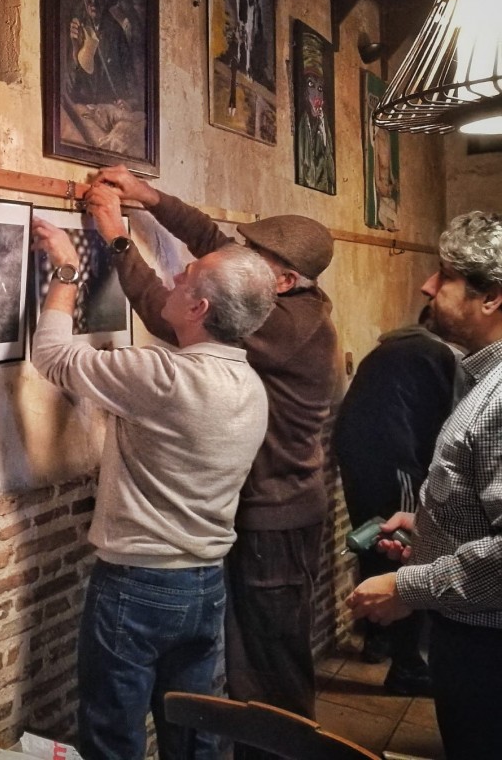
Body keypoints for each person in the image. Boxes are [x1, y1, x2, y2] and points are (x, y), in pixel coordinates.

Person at [85, 165, 339, 738]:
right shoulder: (273, 287)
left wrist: (118, 238)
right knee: (245, 666)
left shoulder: (285, 324)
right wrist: (146, 196)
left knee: (266, 669)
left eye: (257, 259)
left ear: (284, 281)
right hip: (259, 509)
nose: (240, 257)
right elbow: (215, 243)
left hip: (276, 517)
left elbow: (167, 314)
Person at [31, 215, 278, 760]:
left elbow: (51, 357)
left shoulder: (168, 378)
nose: (174, 278)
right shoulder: (250, 386)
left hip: (139, 584)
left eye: (186, 276)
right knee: (195, 735)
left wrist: (68, 271)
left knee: (113, 736)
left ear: (198, 310)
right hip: (206, 584)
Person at [346, 211, 502, 760]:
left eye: (446, 276)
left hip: (488, 647)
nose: (427, 285)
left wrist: (407, 586)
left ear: (492, 299)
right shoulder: (485, 379)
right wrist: (432, 529)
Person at [333, 306, 463, 695]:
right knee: (408, 553)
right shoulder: (440, 355)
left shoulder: (394, 346)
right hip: (397, 461)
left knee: (377, 546)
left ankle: (380, 638)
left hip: (359, 460)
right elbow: (451, 425)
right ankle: (407, 665)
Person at [62, 0, 145, 159]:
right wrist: (74, 50)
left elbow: (133, 88)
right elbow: (69, 91)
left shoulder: (116, 32)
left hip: (113, 119)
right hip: (85, 120)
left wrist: (127, 101)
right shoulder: (73, 26)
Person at [296, 31, 335, 193]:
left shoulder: (323, 124)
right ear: (304, 91)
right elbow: (306, 173)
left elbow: (330, 172)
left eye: (320, 88)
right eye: (311, 85)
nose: (317, 95)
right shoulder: (303, 124)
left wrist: (324, 138)